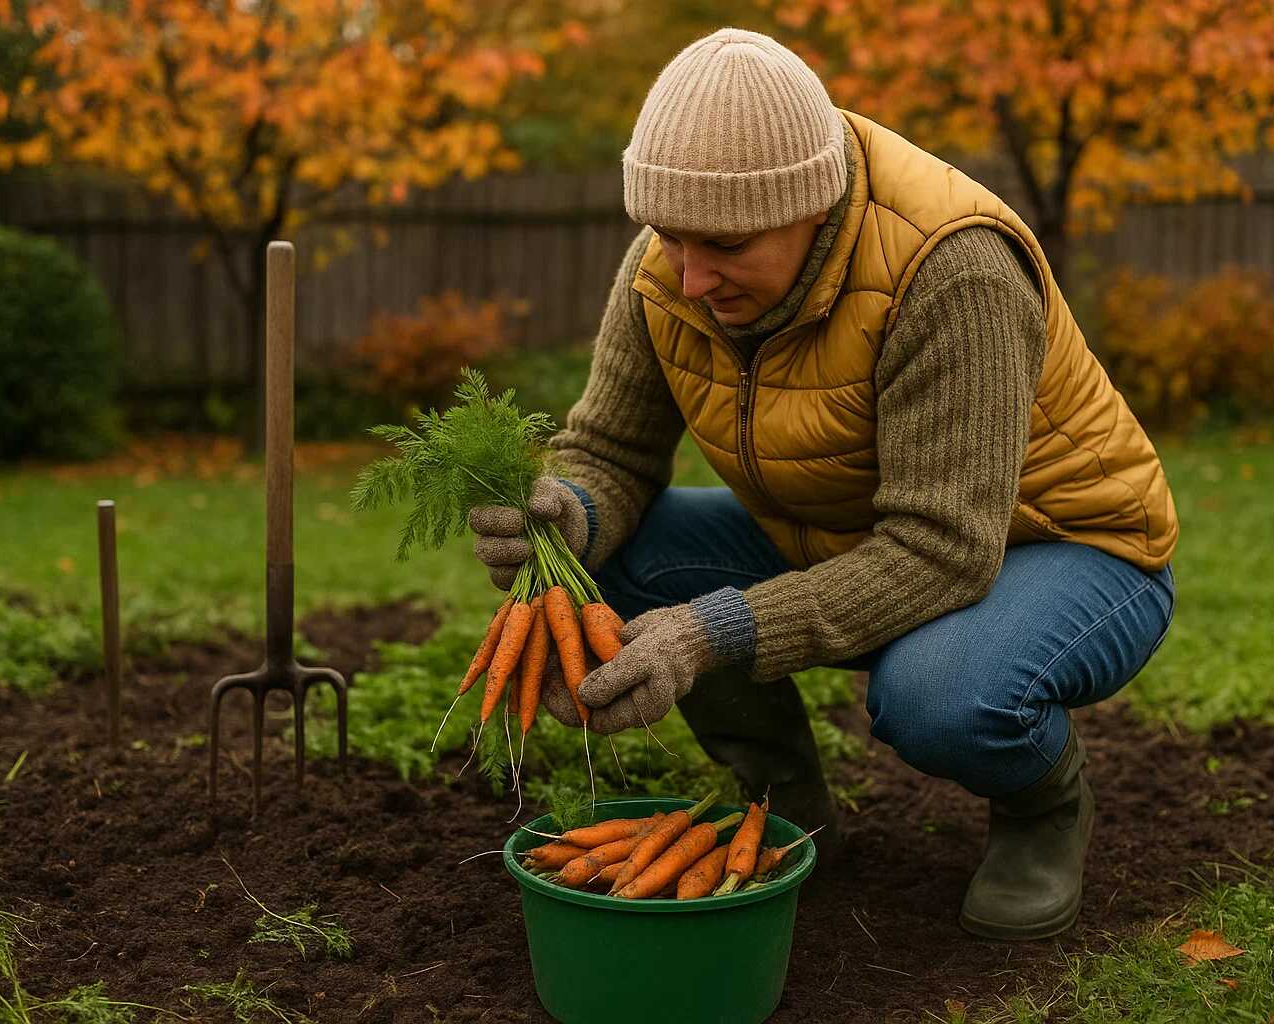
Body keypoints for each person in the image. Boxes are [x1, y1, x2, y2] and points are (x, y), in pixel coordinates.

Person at [468, 27, 1177, 941]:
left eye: (722, 244)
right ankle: (782, 797)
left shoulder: (949, 268)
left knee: (939, 696)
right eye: (669, 236)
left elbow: (942, 549)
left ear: (811, 205)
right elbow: (611, 449)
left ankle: (1044, 806)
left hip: (1066, 547)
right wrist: (569, 511)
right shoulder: (671, 268)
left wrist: (705, 635)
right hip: (845, 533)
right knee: (614, 557)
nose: (689, 275)